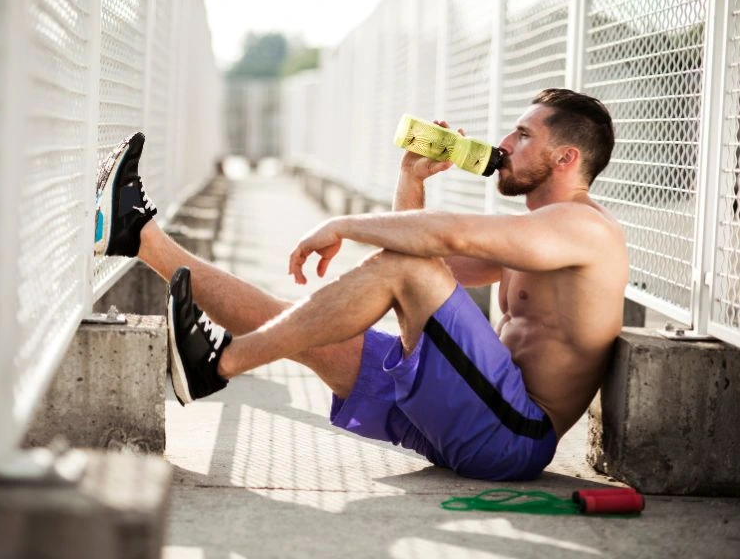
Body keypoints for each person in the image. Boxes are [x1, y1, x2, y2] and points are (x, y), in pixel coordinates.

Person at [94, 88, 628, 481]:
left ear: (566, 158)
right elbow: (418, 259)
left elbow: (443, 241)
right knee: (297, 325)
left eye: (524, 134)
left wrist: (343, 225)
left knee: (403, 274)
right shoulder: (537, 234)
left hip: (514, 435)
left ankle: (222, 363)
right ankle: (138, 236)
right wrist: (411, 181)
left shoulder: (583, 229)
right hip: (476, 409)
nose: (505, 143)